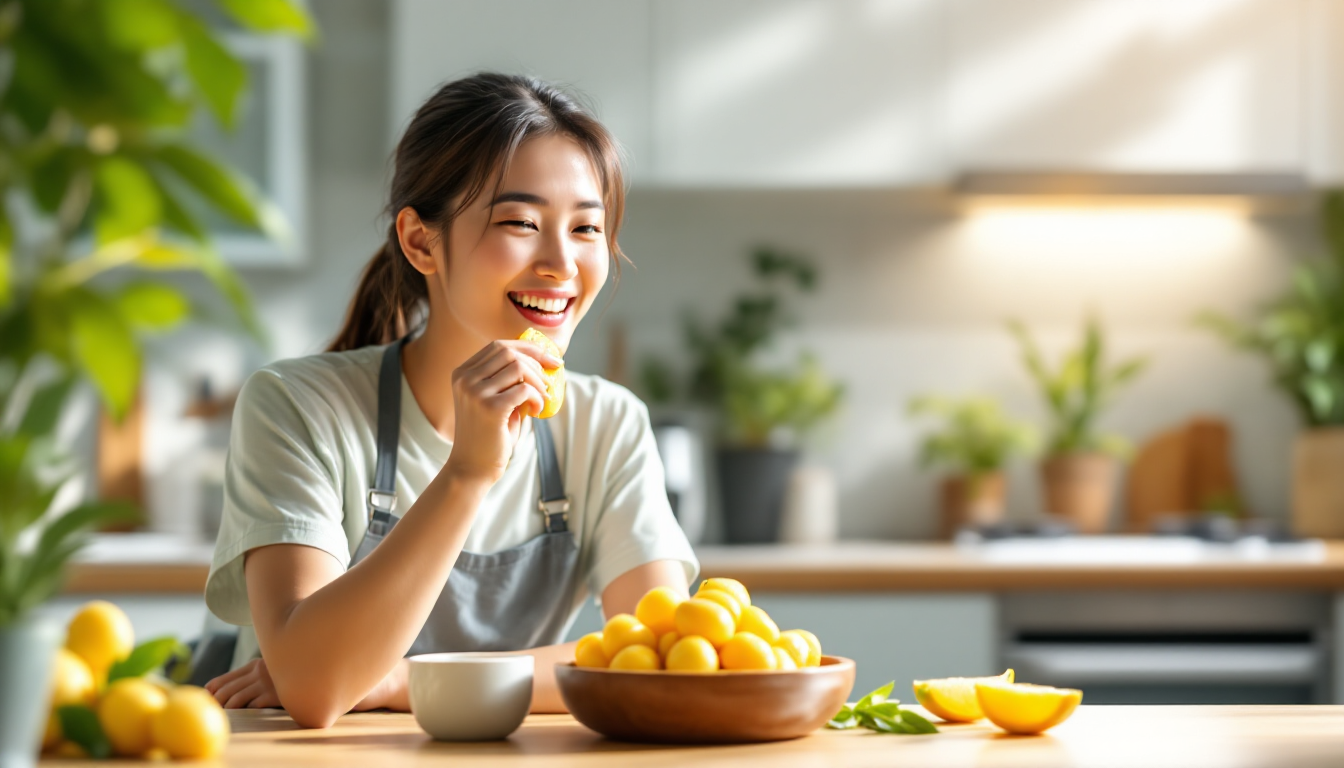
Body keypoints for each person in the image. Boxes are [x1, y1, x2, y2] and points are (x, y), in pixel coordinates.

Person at [200, 73, 698, 728]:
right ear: (420, 242)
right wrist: (467, 473)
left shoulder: (608, 423)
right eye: (521, 222)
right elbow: (315, 688)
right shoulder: (296, 406)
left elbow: (659, 656)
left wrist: (401, 680)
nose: (561, 263)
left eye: (586, 228)